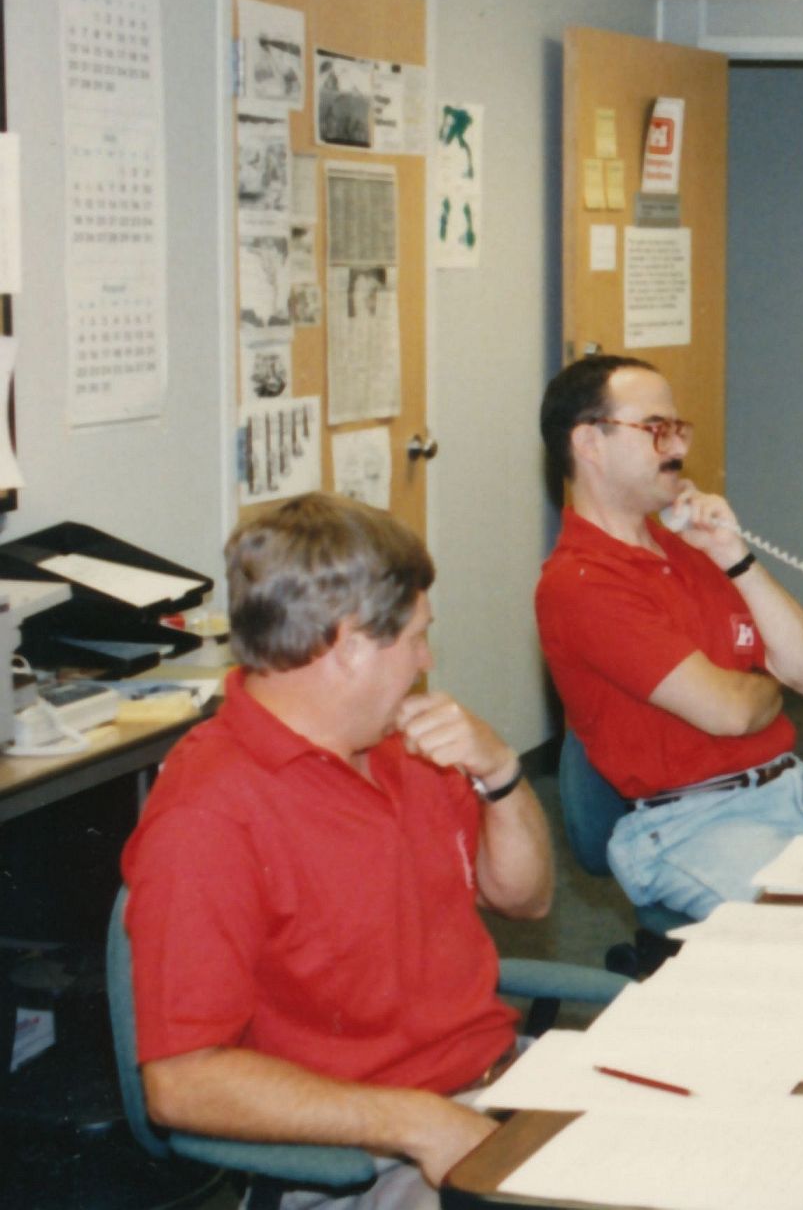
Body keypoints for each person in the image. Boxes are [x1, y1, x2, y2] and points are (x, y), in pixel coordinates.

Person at [122, 494, 554, 1208]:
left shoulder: (406, 745)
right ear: (348, 642)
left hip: (498, 1089)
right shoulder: (210, 814)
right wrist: (413, 1120)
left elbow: (527, 898)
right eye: (416, 637)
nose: (426, 659)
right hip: (369, 1157)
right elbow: (181, 1081)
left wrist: (502, 771)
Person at [535, 354, 803, 921]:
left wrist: (734, 555)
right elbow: (732, 713)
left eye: (677, 430)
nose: (678, 449)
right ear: (590, 444)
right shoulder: (581, 583)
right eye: (655, 430)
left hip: (788, 792)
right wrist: (767, 687)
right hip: (691, 825)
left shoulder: (688, 547)